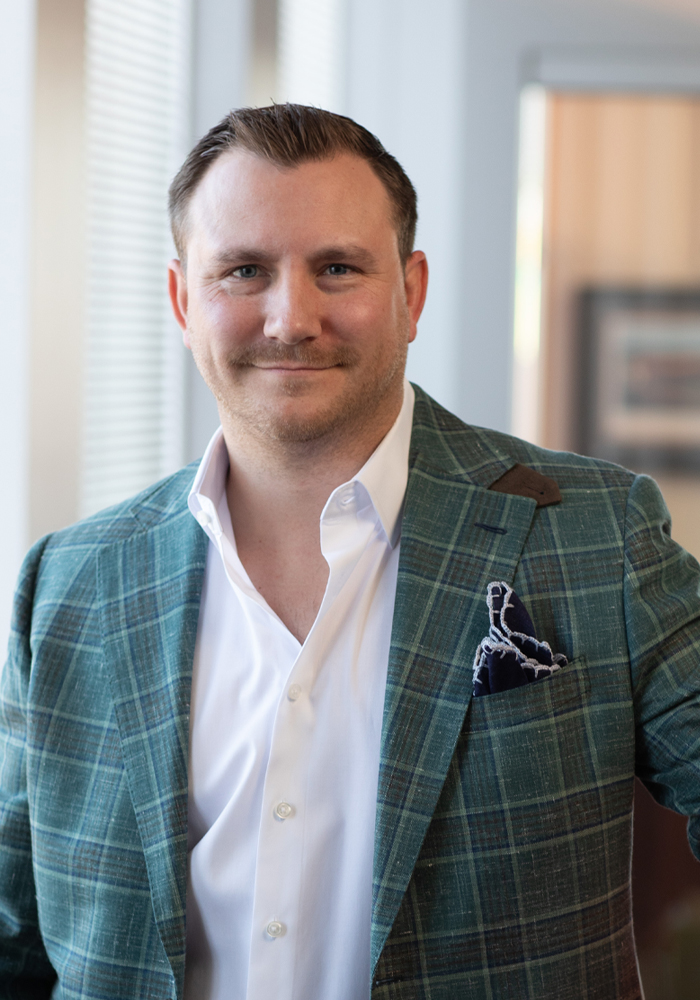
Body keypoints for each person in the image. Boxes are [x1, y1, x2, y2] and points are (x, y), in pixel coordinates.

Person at [1, 104, 699, 1000]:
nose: (291, 318)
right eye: (244, 271)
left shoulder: (595, 532)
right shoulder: (68, 585)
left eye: (337, 268)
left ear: (411, 291)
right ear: (183, 300)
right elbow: (16, 940)